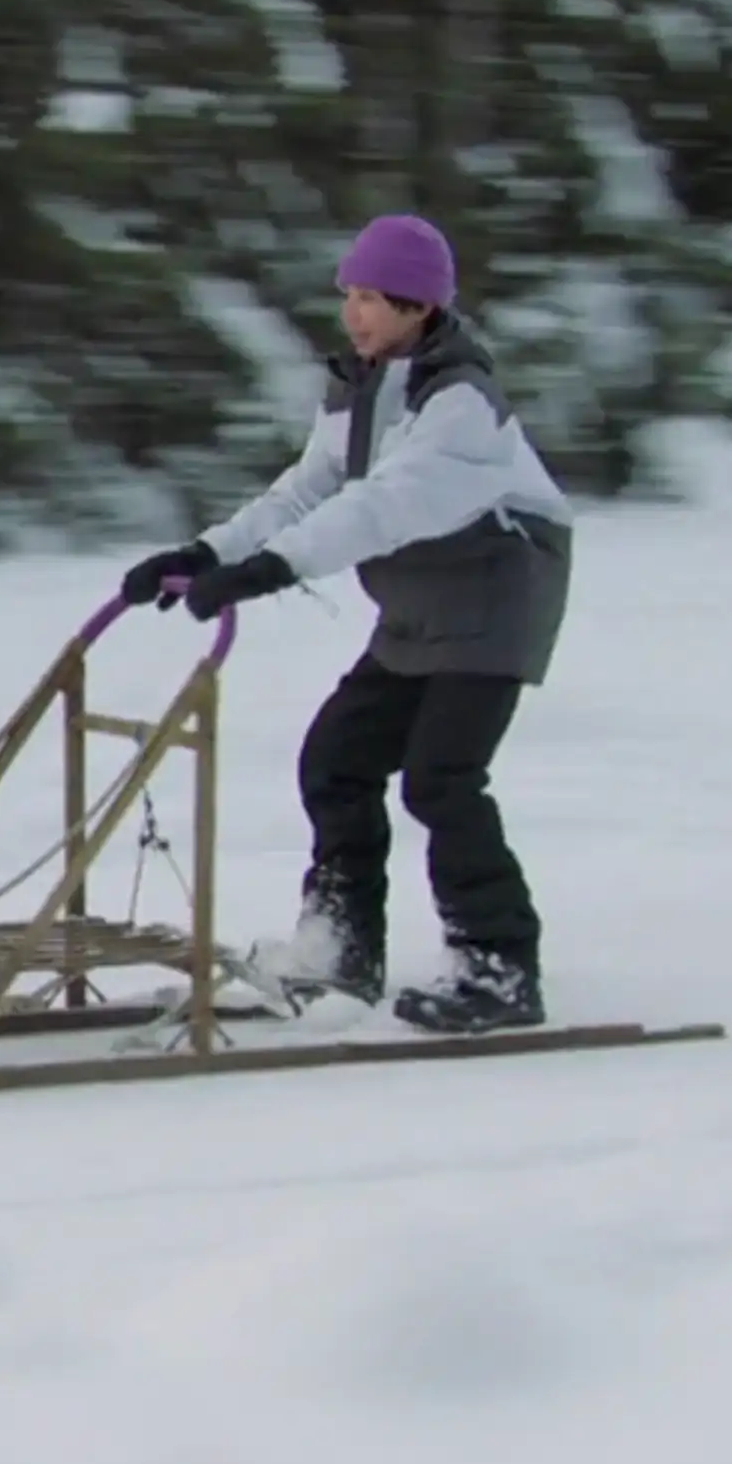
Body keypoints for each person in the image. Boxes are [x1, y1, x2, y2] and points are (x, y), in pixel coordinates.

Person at [116, 213, 576, 1035]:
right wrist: (206, 551)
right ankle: (340, 950)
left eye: (373, 298)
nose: (355, 314)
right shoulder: (360, 388)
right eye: (350, 296)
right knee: (338, 760)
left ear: (420, 307)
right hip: (417, 603)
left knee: (441, 780)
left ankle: (499, 966)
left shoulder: (461, 402)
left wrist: (273, 569)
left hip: (494, 598)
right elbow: (305, 491)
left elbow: (381, 508)